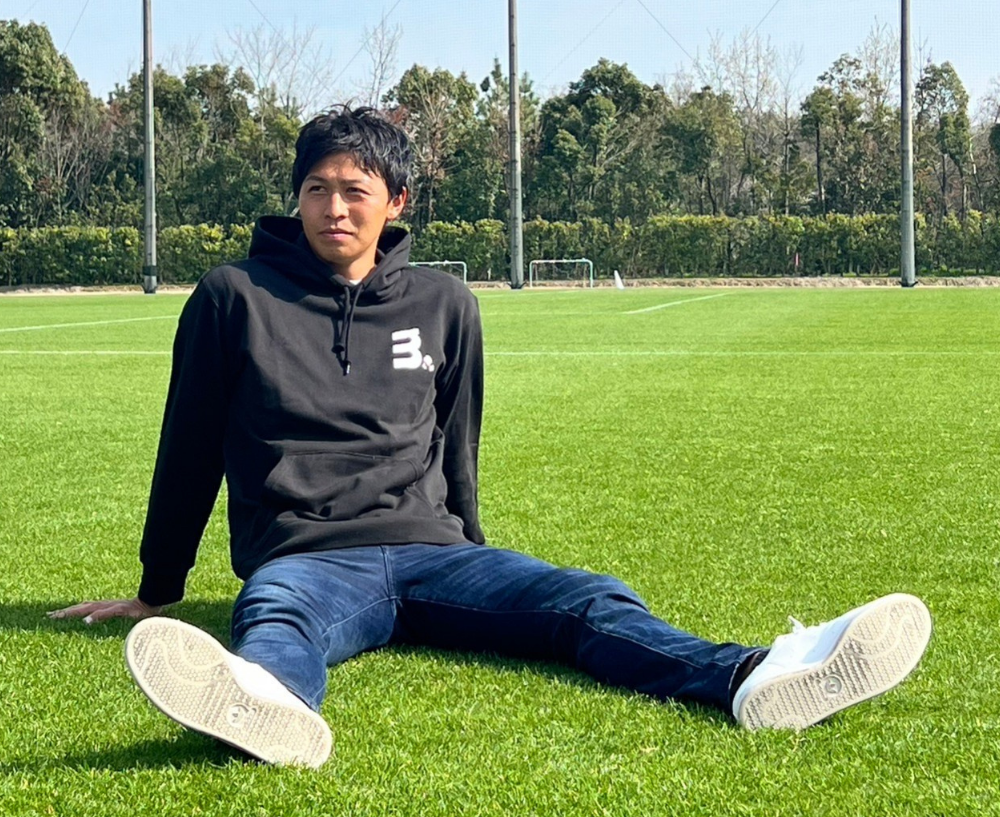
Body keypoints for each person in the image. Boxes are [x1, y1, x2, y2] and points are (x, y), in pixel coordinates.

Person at [50, 105, 932, 769]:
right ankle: (264, 704)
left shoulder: (446, 304)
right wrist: (157, 589)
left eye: (355, 191)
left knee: (586, 600)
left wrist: (473, 552)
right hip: (306, 555)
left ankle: (757, 676)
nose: (333, 208)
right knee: (275, 618)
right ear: (297, 197)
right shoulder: (233, 296)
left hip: (435, 552)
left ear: (396, 201)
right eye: (316, 189)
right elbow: (189, 445)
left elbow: (455, 445)